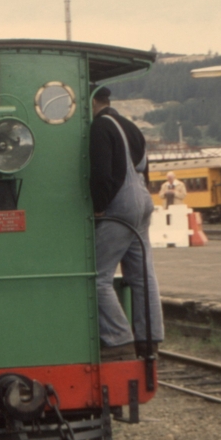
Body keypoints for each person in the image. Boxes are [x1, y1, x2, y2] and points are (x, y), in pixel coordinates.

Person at [89, 87, 164, 361]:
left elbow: (101, 172)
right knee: (143, 274)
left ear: (93, 101)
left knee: (95, 276)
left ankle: (118, 338)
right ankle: (150, 339)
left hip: (120, 205)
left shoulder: (100, 127)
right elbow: (144, 165)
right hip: (143, 201)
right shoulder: (131, 126)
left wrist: (99, 206)